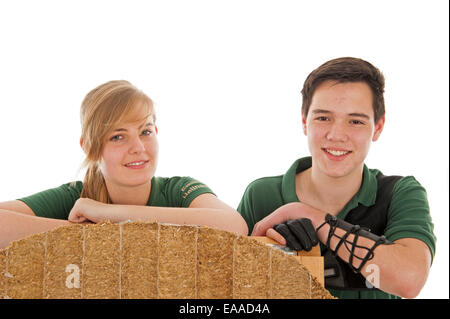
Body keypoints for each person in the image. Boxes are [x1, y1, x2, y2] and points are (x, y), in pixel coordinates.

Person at [237, 57, 436, 299]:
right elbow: (233, 287)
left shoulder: (401, 193)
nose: (336, 135)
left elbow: (409, 280)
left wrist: (309, 216)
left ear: (378, 127)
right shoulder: (261, 195)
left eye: (355, 121)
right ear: (304, 121)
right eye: (323, 118)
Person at [0, 80, 248, 249]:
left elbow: (235, 226)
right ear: (89, 147)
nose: (138, 147)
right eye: (118, 136)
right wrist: (99, 234)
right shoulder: (75, 195)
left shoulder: (179, 190)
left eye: (145, 131)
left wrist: (106, 215)